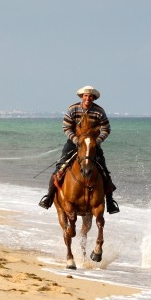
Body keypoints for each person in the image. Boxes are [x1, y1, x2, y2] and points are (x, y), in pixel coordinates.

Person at [38, 85, 120, 214]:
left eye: (91, 96)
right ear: (82, 97)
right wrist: (76, 140)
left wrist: (97, 141)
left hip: (92, 144)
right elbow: (66, 127)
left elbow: (106, 129)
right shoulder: (73, 109)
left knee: (103, 169)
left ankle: (110, 202)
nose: (88, 98)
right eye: (86, 96)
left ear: (94, 98)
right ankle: (48, 197)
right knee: (60, 167)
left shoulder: (99, 111)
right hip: (74, 142)